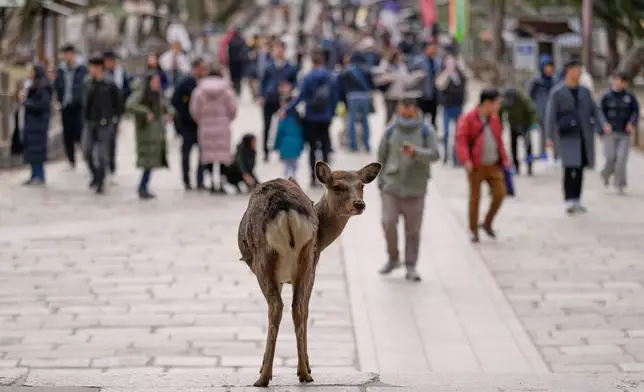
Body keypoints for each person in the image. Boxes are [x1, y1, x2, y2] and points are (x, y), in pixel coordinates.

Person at [377, 97, 440, 282]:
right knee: (388, 223)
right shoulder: (391, 129)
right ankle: (393, 257)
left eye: (408, 107)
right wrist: (380, 180)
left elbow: (435, 154)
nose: (405, 110)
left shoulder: (426, 131)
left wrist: (416, 152)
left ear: (414, 109)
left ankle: (411, 265)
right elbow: (381, 155)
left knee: (412, 230)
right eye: (402, 107)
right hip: (392, 185)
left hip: (415, 186)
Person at [545, 59, 609, 214]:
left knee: (580, 167)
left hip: (583, 134)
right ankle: (568, 199)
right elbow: (550, 115)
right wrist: (548, 136)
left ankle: (577, 199)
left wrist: (602, 126)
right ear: (568, 71)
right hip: (566, 135)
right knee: (569, 167)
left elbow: (595, 110)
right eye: (576, 70)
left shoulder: (585, 92)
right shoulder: (558, 92)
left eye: (580, 70)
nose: (578, 73)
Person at [455, 89, 510, 243]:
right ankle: (473, 230)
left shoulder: (494, 119)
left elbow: (499, 141)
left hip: (493, 164)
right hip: (476, 165)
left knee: (500, 193)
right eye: (496, 103)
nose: (498, 106)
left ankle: (487, 222)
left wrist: (504, 159)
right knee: (475, 198)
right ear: (487, 103)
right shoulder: (468, 119)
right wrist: (465, 160)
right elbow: (461, 140)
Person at [283, 50, 338, 187]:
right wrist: (332, 112)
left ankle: (313, 177)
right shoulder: (330, 77)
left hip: (311, 117)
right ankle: (327, 176)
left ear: (312, 63)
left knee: (312, 148)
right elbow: (335, 97)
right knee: (325, 146)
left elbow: (300, 97)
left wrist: (287, 109)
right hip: (325, 117)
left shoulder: (308, 77)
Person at [190, 67, 238, 194]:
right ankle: (221, 183)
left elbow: (194, 110)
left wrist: (202, 120)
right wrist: (227, 119)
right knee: (222, 157)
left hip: (205, 126)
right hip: (222, 125)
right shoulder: (227, 90)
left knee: (209, 157)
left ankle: (211, 182)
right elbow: (233, 109)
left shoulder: (199, 90)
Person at [126, 72, 173, 200]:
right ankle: (142, 187)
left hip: (156, 134)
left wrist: (170, 113)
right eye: (154, 81)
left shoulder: (158, 95)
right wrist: (145, 113)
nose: (157, 84)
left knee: (151, 162)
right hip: (146, 134)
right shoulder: (141, 93)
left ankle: (143, 186)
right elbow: (130, 105)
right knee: (148, 162)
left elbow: (167, 107)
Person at [82, 56, 124, 195]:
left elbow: (119, 103)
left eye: (93, 67)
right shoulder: (87, 83)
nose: (91, 70)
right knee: (87, 151)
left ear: (99, 68)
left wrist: (115, 119)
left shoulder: (110, 84)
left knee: (102, 155)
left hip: (105, 123)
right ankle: (95, 175)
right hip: (90, 122)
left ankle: (100, 180)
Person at [598, 71, 639, 195]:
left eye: (623, 82)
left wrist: (631, 123)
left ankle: (620, 184)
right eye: (619, 80)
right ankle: (605, 174)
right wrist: (603, 125)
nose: (621, 84)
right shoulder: (606, 96)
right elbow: (599, 112)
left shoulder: (629, 97)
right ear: (614, 80)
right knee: (611, 158)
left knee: (621, 158)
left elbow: (635, 111)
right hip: (609, 132)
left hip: (624, 133)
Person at [258, 40, 298, 162]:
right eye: (276, 49)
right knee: (266, 126)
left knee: (283, 127)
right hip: (270, 99)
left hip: (283, 100)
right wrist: (261, 96)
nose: (278, 51)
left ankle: (282, 151)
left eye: (281, 49)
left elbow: (295, 82)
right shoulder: (268, 67)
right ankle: (265, 151)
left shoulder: (291, 67)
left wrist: (290, 87)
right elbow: (263, 83)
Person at [171, 58, 208, 190]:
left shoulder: (205, 83)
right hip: (187, 124)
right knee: (186, 153)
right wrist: (182, 116)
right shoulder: (185, 83)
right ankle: (186, 180)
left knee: (203, 153)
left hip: (202, 124)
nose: (204, 71)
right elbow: (174, 101)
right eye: (202, 68)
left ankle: (200, 180)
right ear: (196, 68)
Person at [13, 65, 53, 186]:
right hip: (30, 123)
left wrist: (25, 101)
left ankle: (39, 175)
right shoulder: (30, 84)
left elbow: (42, 105)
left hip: (38, 123)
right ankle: (34, 174)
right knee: (31, 150)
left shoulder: (43, 86)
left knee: (37, 150)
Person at [54, 44, 87, 169]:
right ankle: (71, 159)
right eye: (65, 54)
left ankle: (84, 153)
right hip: (65, 104)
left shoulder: (81, 68)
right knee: (67, 133)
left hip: (78, 104)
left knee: (79, 130)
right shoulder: (61, 69)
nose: (67, 56)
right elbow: (57, 85)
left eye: (69, 53)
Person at [103, 50, 132, 180]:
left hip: (115, 112)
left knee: (111, 140)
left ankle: (111, 165)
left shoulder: (121, 74)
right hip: (100, 112)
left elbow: (127, 90)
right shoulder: (100, 75)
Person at [338, 52, 374, 152]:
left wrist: (342, 101)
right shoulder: (367, 70)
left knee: (351, 122)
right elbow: (371, 86)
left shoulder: (346, 71)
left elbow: (341, 88)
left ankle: (353, 145)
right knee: (365, 121)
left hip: (352, 97)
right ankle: (366, 144)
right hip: (364, 97)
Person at [435, 54, 466, 165]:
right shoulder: (444, 75)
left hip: (458, 107)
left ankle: (455, 157)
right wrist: (447, 73)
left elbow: (464, 87)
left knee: (458, 133)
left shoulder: (460, 75)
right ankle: (445, 155)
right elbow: (439, 85)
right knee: (446, 133)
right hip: (447, 107)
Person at [500, 88, 538, 175]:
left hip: (524, 125)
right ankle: (516, 167)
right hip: (513, 125)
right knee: (513, 147)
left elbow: (532, 111)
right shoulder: (504, 101)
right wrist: (500, 124)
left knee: (528, 146)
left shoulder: (523, 99)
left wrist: (531, 124)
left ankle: (529, 167)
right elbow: (499, 112)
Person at [526, 55, 555, 160]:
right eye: (546, 66)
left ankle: (556, 155)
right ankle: (542, 154)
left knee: (553, 132)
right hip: (540, 111)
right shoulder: (536, 80)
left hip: (552, 110)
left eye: (550, 66)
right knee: (541, 132)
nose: (548, 69)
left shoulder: (554, 80)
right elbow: (529, 94)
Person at [411, 40, 441, 128]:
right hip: (422, 95)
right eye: (432, 47)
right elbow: (412, 76)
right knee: (421, 119)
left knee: (434, 120)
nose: (434, 50)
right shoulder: (418, 61)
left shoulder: (436, 61)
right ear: (426, 49)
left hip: (434, 94)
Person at [274, 94, 304, 179]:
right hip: (296, 144)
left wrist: (276, 146)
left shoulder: (283, 118)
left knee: (287, 166)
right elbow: (301, 134)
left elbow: (279, 133)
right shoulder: (298, 117)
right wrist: (301, 146)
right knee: (294, 165)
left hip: (285, 145)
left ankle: (288, 181)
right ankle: (293, 178)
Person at [227, 28, 248, 96]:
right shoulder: (241, 41)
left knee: (234, 78)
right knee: (238, 78)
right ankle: (238, 90)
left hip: (233, 62)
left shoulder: (231, 41)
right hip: (238, 62)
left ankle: (236, 89)